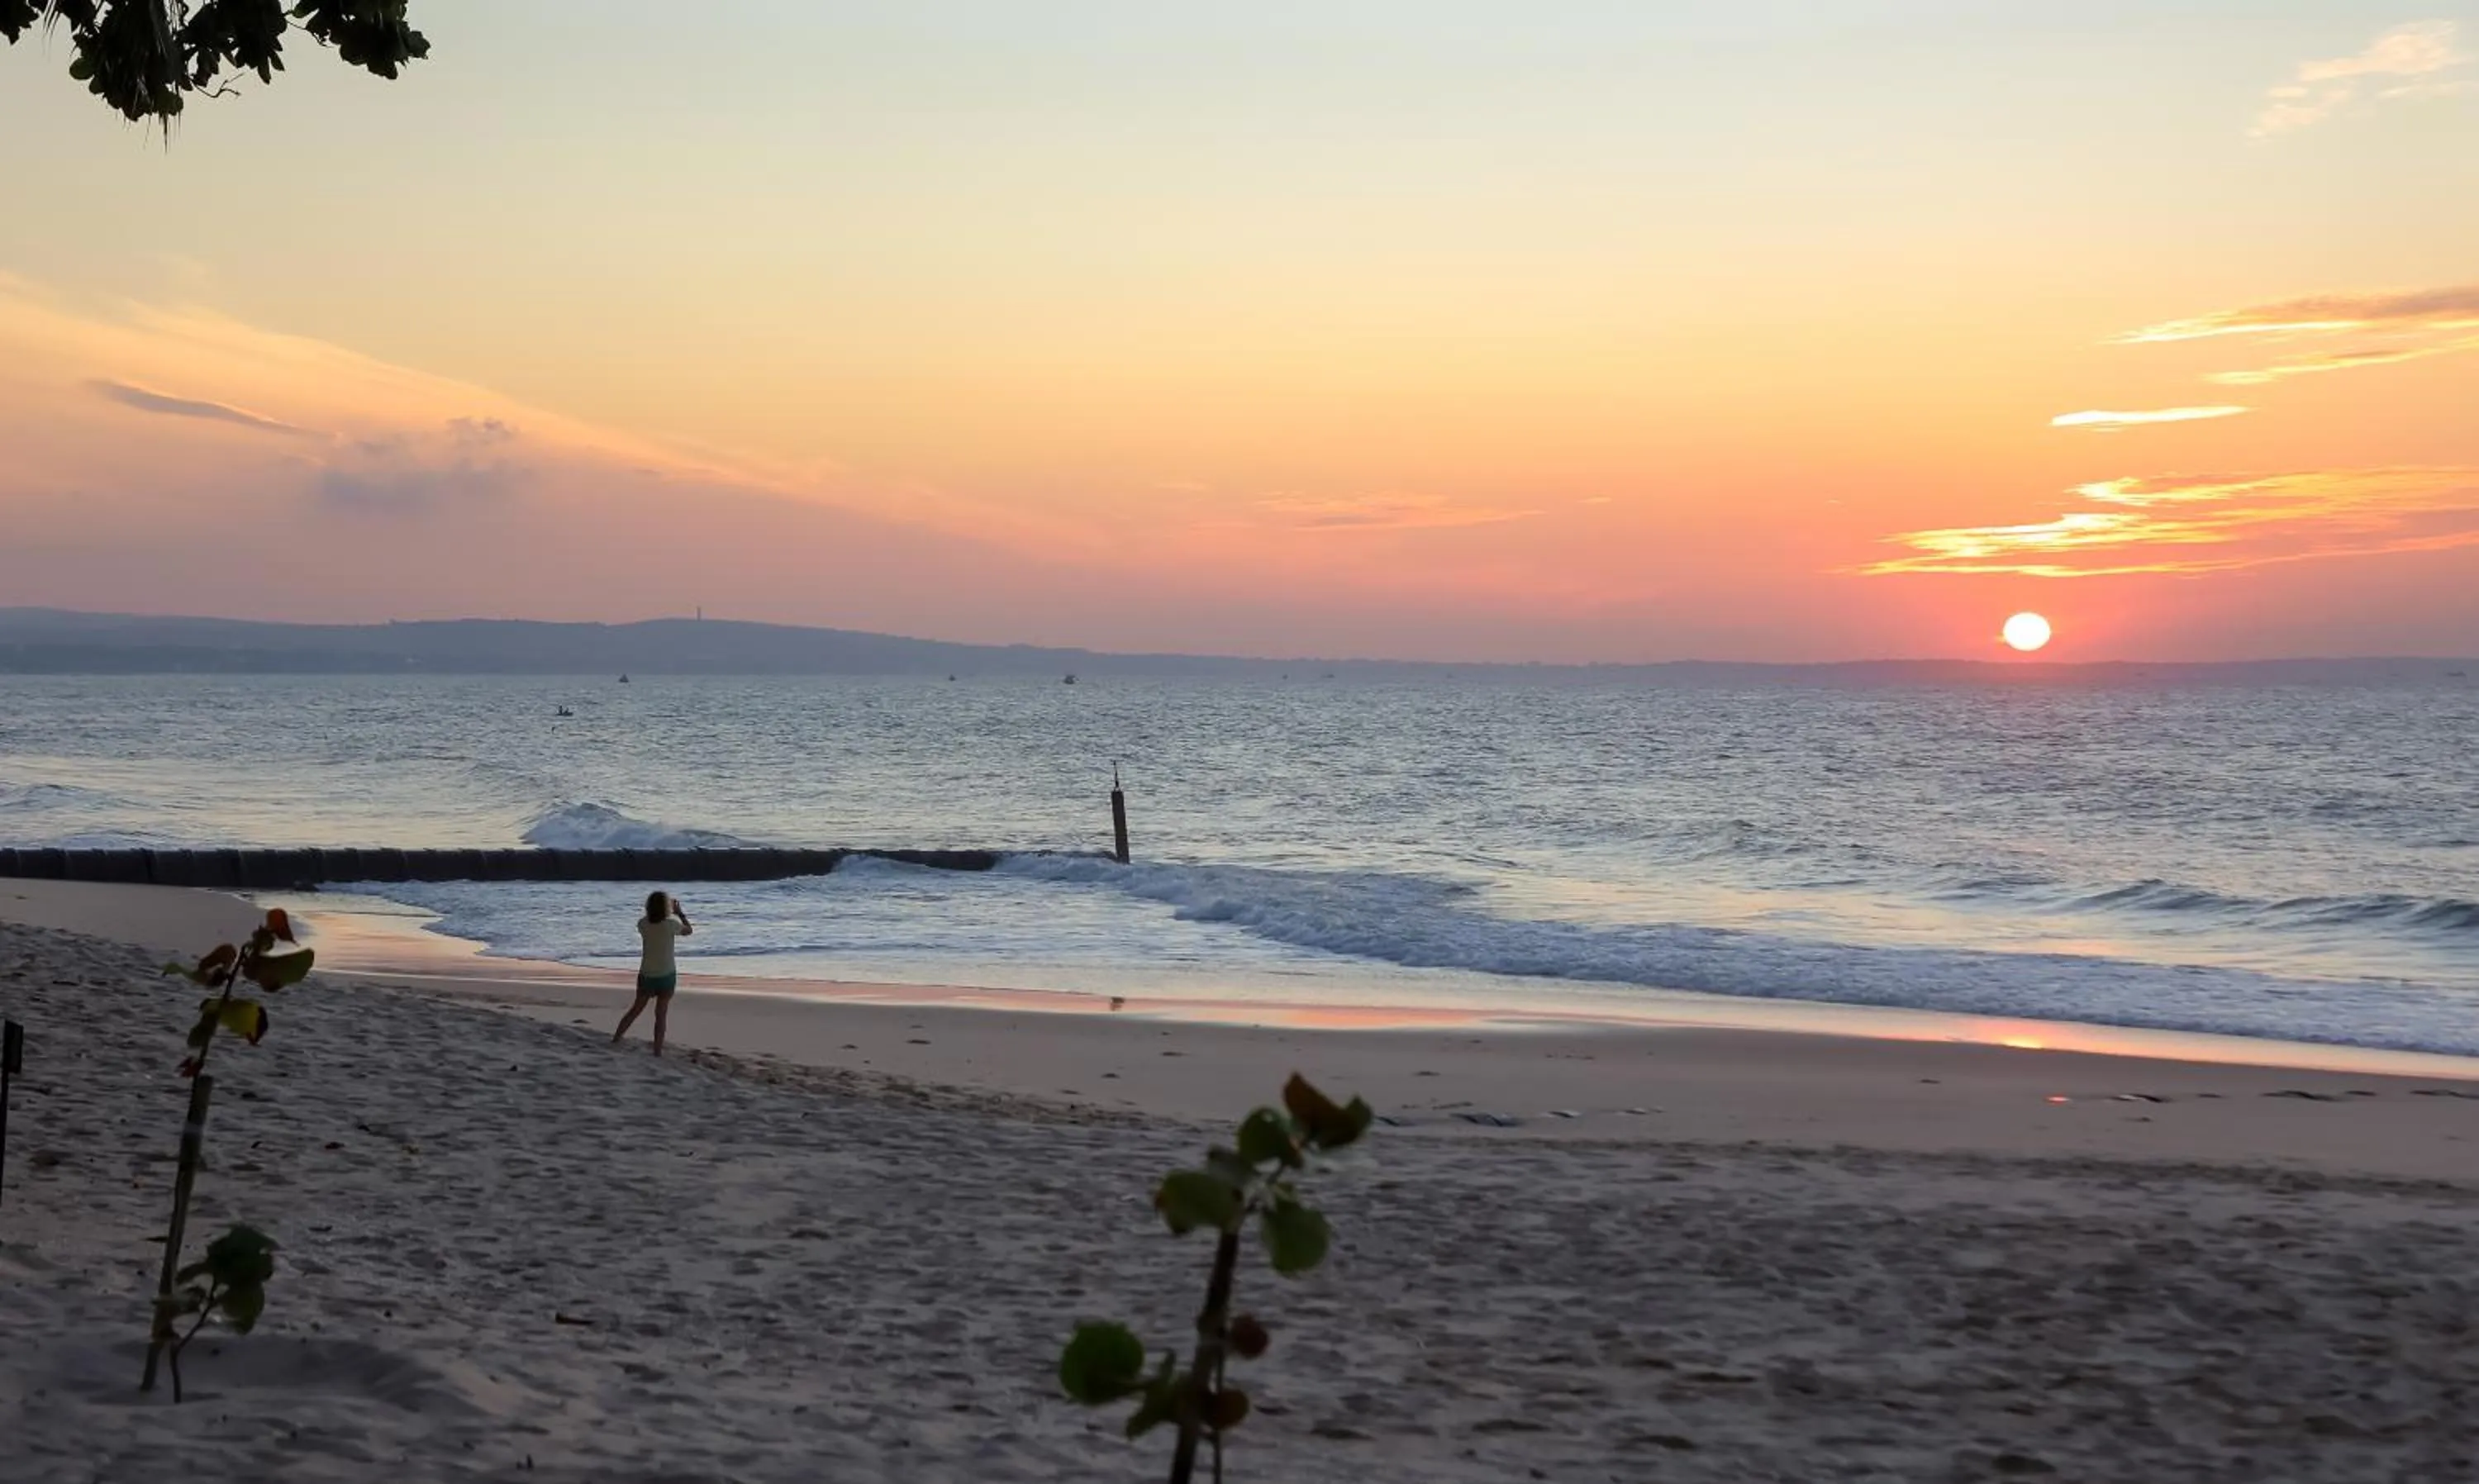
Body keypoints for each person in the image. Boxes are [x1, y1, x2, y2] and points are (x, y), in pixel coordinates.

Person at [611, 890, 692, 1055]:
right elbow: (688, 931)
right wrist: (680, 913)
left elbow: (651, 924)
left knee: (635, 1010)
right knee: (661, 1015)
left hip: (647, 974)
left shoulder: (643, 924)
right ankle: (657, 1051)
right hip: (667, 975)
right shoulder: (671, 924)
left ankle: (616, 1038)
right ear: (666, 907)